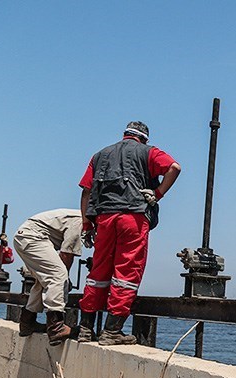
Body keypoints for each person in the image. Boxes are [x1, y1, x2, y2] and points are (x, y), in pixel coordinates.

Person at [77, 120, 181, 345]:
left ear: (124, 134)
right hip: (133, 217)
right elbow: (174, 168)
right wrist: (158, 193)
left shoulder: (99, 155)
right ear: (144, 138)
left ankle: (85, 329)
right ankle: (112, 332)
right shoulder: (148, 152)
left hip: (104, 218)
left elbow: (86, 192)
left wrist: (86, 225)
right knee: (127, 273)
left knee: (98, 272)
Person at [13, 208, 84, 345]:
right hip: (32, 237)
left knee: (45, 279)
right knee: (58, 275)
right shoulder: (79, 221)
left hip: (24, 237)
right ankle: (56, 328)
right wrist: (63, 281)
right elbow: (66, 254)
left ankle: (27, 323)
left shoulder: (79, 218)